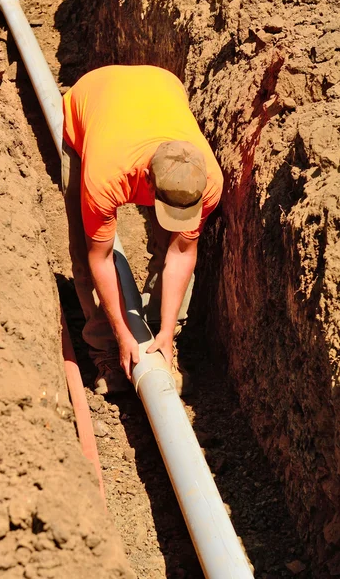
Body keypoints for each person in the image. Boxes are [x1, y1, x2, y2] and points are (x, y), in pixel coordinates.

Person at [62, 65, 223, 395]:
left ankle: (161, 342)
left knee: (172, 243)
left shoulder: (209, 181)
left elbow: (181, 253)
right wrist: (121, 331)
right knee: (84, 245)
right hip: (91, 99)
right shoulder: (106, 174)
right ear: (148, 180)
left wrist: (166, 329)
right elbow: (100, 258)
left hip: (161, 85)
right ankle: (106, 349)